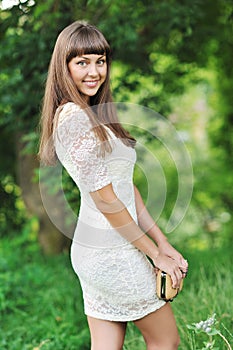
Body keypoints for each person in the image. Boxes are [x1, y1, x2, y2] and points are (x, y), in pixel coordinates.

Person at [38, 21, 188, 350]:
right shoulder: (74, 119)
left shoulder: (92, 114)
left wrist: (162, 244)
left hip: (99, 247)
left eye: (100, 61)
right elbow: (107, 202)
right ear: (63, 67)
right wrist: (153, 256)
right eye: (82, 62)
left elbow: (126, 190)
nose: (94, 71)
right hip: (111, 251)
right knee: (166, 341)